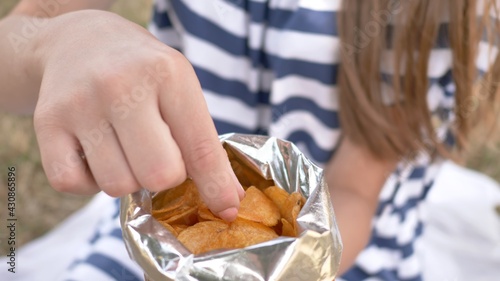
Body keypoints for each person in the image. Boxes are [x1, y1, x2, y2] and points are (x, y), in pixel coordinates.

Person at [0, 0, 498, 280]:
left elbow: (354, 192)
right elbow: (12, 52)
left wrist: (261, 268)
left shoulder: (441, 11)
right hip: (160, 249)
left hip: (333, 258)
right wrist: (56, 42)